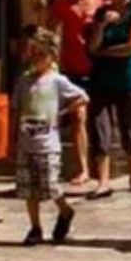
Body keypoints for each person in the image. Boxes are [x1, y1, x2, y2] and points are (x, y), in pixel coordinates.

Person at [13, 28, 88, 246]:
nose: (36, 59)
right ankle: (35, 226)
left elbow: (83, 97)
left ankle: (65, 210)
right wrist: (12, 139)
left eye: (41, 54)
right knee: (28, 189)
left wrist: (63, 113)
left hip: (48, 144)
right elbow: (16, 109)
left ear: (51, 56)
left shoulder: (57, 81)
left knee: (50, 184)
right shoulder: (23, 82)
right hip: (26, 142)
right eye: (33, 53)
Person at [86, 0, 131, 196]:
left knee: (129, 127)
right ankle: (103, 181)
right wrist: (101, 27)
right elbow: (92, 47)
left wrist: (103, 52)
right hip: (101, 80)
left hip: (127, 79)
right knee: (100, 129)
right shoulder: (101, 13)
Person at [46, 0, 101, 192]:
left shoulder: (100, 0)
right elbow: (49, 32)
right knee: (78, 117)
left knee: (97, 121)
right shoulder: (61, 5)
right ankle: (82, 169)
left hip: (98, 68)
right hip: (70, 70)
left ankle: (99, 164)